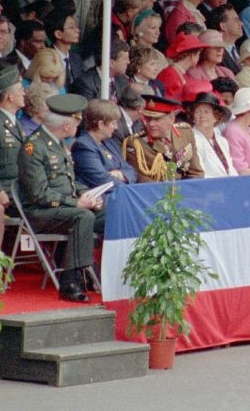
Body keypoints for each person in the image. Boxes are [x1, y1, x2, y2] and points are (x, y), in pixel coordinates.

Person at [19, 107, 105, 301]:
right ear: (66, 126)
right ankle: (71, 280)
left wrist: (88, 195)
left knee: (109, 211)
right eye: (76, 123)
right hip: (41, 212)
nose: (78, 127)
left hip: (64, 208)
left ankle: (101, 271)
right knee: (83, 216)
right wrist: (76, 203)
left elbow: (68, 182)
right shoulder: (34, 147)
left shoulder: (57, 143)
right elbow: (39, 194)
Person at [123, 93, 204, 182]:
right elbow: (144, 182)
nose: (151, 124)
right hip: (159, 193)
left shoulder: (185, 132)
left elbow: (196, 172)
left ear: (171, 118)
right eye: (148, 119)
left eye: (157, 119)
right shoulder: (135, 144)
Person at [74, 98, 140, 188]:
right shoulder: (83, 146)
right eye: (113, 123)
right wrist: (124, 181)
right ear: (101, 125)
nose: (116, 127)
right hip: (100, 199)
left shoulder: (110, 143)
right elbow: (102, 180)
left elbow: (131, 171)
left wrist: (117, 174)